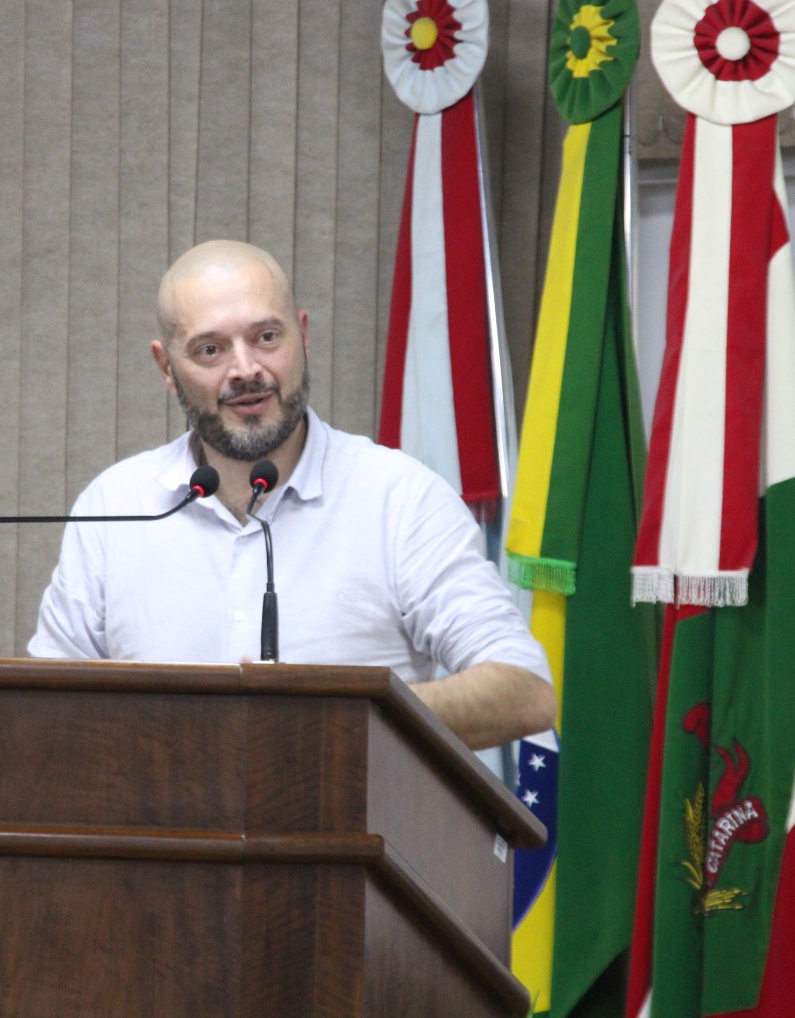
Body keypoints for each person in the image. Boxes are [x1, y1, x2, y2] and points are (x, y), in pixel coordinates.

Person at [28, 240, 554, 750]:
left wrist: (330, 724)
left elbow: (523, 691)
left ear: (302, 336)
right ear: (167, 368)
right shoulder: (115, 505)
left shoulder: (398, 499)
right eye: (210, 350)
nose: (245, 370)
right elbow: (41, 709)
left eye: (266, 337)